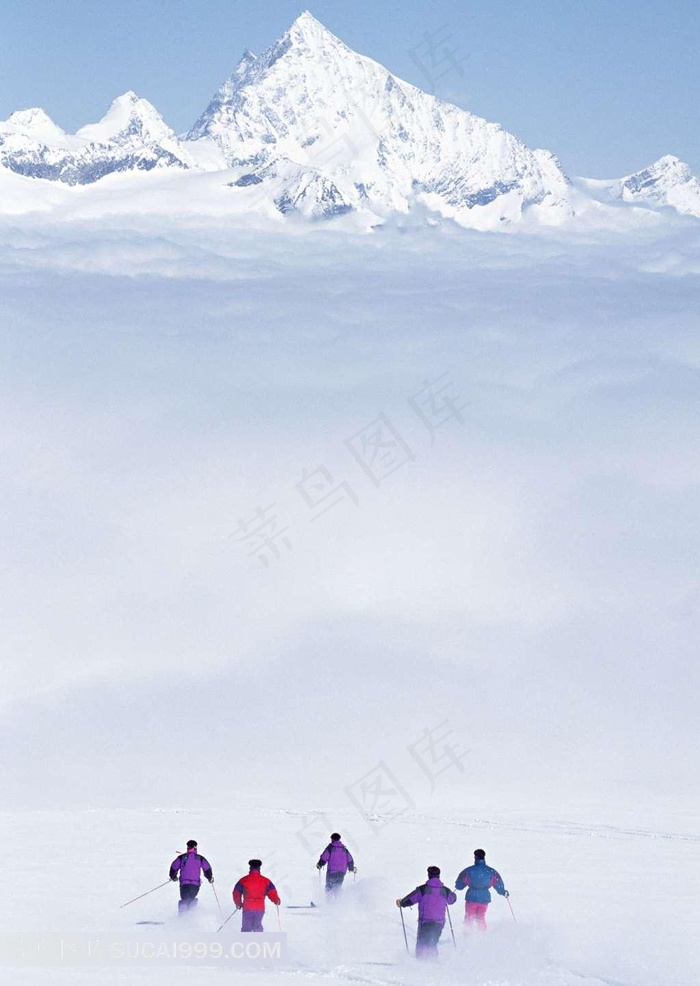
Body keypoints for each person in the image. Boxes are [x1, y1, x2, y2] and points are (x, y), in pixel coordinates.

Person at [396, 866, 456, 960]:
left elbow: (411, 899)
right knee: (433, 942)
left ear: (429, 875)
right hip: (439, 922)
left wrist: (402, 902)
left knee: (422, 942)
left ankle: (421, 962)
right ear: (439, 875)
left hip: (425, 921)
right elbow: (452, 899)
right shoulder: (445, 890)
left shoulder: (423, 890)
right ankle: (433, 961)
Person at [455, 849, 508, 930]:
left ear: (475, 857)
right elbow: (498, 883)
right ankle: (482, 935)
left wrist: (458, 886)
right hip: (484, 899)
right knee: (480, 918)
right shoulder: (491, 871)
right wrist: (503, 892)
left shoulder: (469, 871)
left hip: (471, 897)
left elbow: (460, 884)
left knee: (469, 918)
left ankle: (467, 936)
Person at [233, 859, 281, 931]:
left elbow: (236, 892)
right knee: (257, 927)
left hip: (247, 908)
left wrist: (238, 903)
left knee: (246, 928)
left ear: (250, 868)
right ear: (259, 868)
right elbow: (272, 892)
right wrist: (276, 900)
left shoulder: (243, 880)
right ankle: (259, 940)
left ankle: (245, 941)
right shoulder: (266, 881)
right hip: (260, 908)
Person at [169, 839, 214, 913]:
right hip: (195, 884)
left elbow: (174, 867)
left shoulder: (182, 858)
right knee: (191, 898)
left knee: (184, 899)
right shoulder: (199, 858)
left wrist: (173, 876)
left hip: (184, 884)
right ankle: (192, 916)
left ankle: (182, 916)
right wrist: (210, 877)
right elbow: (207, 868)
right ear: (195, 847)